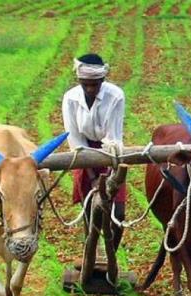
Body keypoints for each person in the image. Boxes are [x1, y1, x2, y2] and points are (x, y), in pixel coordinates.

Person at [62, 53, 126, 251]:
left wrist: (109, 179)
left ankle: (111, 255)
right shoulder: (71, 98)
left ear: (102, 80)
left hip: (111, 154)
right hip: (84, 154)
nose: (90, 89)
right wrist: (91, 177)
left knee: (118, 212)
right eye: (86, 84)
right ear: (80, 81)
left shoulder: (115, 95)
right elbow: (75, 139)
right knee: (90, 210)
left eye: (95, 84)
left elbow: (113, 137)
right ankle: (91, 252)